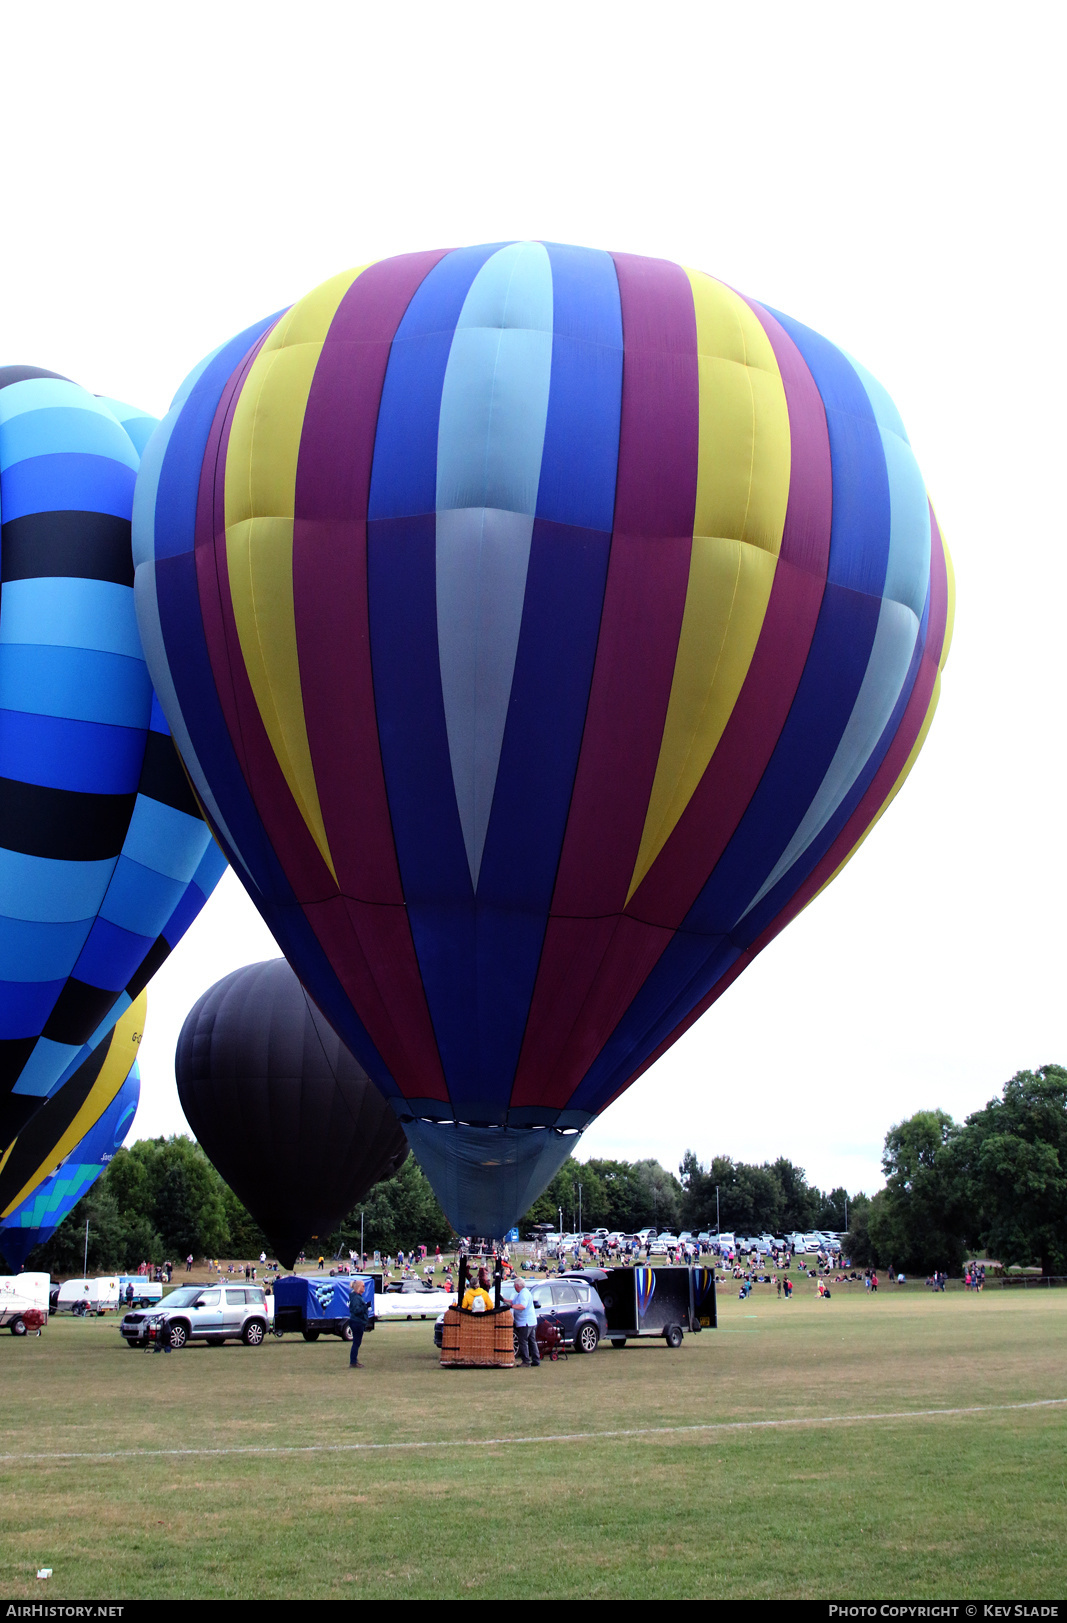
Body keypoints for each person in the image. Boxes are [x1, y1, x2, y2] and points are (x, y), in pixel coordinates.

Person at [510, 1274, 540, 1368]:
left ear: (517, 1286)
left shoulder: (523, 1294)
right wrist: (503, 1300)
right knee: (532, 1341)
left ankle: (526, 1361)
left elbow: (522, 1306)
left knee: (523, 1341)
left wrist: (511, 1307)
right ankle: (536, 1359)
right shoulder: (523, 1293)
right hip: (531, 1321)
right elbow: (513, 1301)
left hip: (525, 1322)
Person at [348, 1279, 370, 1368]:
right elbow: (356, 1310)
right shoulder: (356, 1298)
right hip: (357, 1322)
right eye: (363, 1286)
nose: (364, 1288)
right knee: (356, 1342)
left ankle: (354, 1360)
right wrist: (365, 1307)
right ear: (358, 1287)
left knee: (357, 1342)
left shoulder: (357, 1297)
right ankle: (353, 1361)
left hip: (357, 1321)